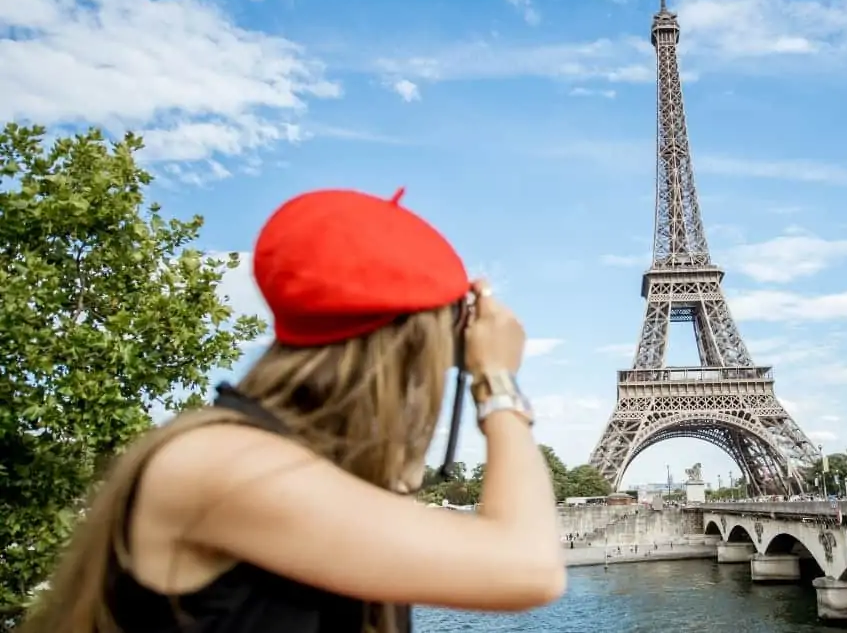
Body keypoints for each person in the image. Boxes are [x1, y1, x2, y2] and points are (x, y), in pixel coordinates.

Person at [20, 188, 565, 633]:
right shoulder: (217, 464)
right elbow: (529, 567)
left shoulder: (256, 458)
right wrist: (496, 380)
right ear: (416, 346)